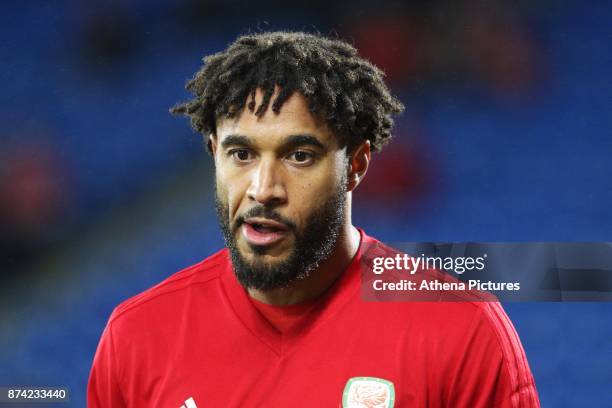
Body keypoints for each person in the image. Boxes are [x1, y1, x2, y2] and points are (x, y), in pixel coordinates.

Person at [87, 31, 539, 407]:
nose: (264, 188)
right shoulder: (136, 339)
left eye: (299, 156)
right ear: (213, 154)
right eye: (241, 154)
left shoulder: (460, 331)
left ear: (356, 165)